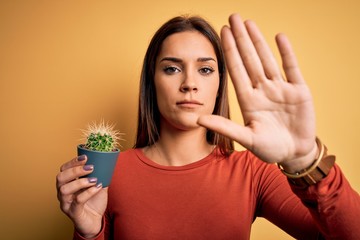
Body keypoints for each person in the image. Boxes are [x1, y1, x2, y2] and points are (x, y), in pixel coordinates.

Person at [56, 13, 360, 239]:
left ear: (219, 84)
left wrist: (305, 160)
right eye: (172, 68)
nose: (189, 84)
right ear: (152, 82)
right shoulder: (112, 170)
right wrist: (88, 230)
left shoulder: (252, 171)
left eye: (205, 69)